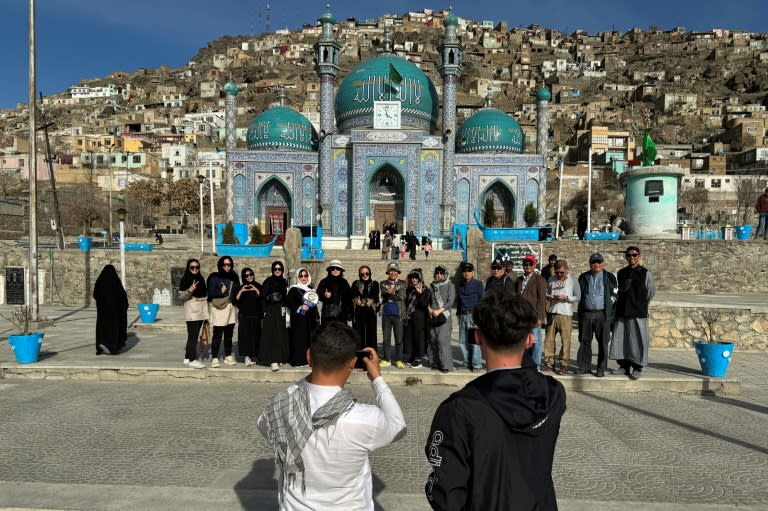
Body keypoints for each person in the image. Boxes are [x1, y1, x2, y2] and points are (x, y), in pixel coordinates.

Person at [424, 294, 566, 510]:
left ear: (479, 338)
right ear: (529, 340)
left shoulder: (460, 408)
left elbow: (447, 493)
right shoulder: (554, 393)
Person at [258, 322, 406, 510]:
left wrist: (300, 387)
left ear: (309, 356)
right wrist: (377, 379)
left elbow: (264, 425)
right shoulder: (364, 418)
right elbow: (398, 425)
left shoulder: (279, 407)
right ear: (353, 363)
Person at [610, 246, 656, 380]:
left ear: (639, 256)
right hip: (623, 311)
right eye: (629, 255)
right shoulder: (621, 273)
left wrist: (640, 304)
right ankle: (624, 366)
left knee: (637, 341)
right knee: (622, 340)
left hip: (638, 312)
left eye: (634, 255)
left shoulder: (646, 273)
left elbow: (650, 292)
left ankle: (637, 367)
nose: (632, 258)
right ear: (626, 257)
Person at [576, 252, 618, 377]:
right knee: (584, 341)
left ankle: (601, 368)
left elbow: (615, 294)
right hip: (587, 313)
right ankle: (584, 366)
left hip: (602, 314)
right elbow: (580, 294)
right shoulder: (584, 277)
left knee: (603, 342)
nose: (596, 264)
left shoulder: (609, 277)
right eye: (594, 262)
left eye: (599, 262)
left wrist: (610, 313)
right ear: (590, 264)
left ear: (602, 263)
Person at [543, 259, 580, 375]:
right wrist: (549, 297)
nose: (559, 275)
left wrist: (567, 298)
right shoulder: (551, 279)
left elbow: (578, 296)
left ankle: (564, 365)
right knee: (549, 339)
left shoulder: (573, 280)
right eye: (557, 272)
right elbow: (547, 294)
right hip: (553, 312)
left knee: (566, 341)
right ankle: (549, 363)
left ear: (567, 270)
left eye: (562, 273)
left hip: (566, 314)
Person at [206, 256, 239, 368]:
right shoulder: (214, 277)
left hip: (231, 307)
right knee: (218, 334)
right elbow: (210, 294)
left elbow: (237, 292)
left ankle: (228, 355)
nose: (226, 267)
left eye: (229, 264)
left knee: (229, 334)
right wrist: (221, 292)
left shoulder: (234, 277)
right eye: (224, 264)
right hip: (219, 307)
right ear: (220, 265)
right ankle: (215, 357)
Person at [517, 255, 547, 368]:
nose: (528, 266)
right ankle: (526, 364)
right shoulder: (519, 280)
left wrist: (540, 317)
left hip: (533, 315)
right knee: (524, 342)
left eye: (530, 264)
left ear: (534, 265)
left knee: (535, 342)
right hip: (521, 316)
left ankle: (536, 366)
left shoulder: (539, 279)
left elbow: (541, 299)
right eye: (526, 264)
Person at [285, 268, 319, 367]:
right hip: (299, 319)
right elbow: (289, 302)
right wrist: (300, 307)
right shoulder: (294, 289)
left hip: (310, 319)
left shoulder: (311, 289)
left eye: (305, 276)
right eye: (301, 276)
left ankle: (310, 360)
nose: (303, 278)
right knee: (300, 339)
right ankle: (300, 360)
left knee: (310, 338)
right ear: (297, 277)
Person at [178, 258, 207, 369]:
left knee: (193, 335)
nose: (195, 269)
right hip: (192, 310)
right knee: (193, 336)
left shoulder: (200, 278)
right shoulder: (185, 279)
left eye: (197, 267)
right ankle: (192, 359)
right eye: (192, 267)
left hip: (201, 310)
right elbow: (181, 297)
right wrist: (190, 290)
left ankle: (187, 357)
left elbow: (204, 294)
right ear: (188, 268)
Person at [260, 260, 289, 371]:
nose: (277, 271)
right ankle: (273, 360)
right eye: (275, 269)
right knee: (272, 334)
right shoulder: (268, 281)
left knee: (280, 334)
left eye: (279, 269)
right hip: (271, 310)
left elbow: (286, 296)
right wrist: (265, 310)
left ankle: (280, 357)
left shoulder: (284, 281)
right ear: (272, 270)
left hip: (281, 310)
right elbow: (263, 297)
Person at [93, 264, 128, 355]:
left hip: (102, 311)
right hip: (115, 312)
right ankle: (113, 347)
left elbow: (95, 294)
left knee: (102, 328)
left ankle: (102, 344)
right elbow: (122, 296)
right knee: (114, 328)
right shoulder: (115, 281)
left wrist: (101, 302)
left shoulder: (100, 281)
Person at [456, 261, 485, 371]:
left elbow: (482, 301)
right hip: (463, 316)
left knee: (474, 343)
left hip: (473, 317)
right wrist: (458, 314)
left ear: (472, 272)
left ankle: (476, 365)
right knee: (462, 342)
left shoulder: (478, 284)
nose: (466, 273)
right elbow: (459, 301)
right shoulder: (460, 284)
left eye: (469, 271)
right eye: (464, 271)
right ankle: (467, 363)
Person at [427, 265, 455, 373]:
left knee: (442, 340)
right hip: (433, 315)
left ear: (445, 274)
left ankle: (445, 365)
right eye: (437, 273)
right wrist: (429, 309)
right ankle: (435, 363)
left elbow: (451, 301)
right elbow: (428, 300)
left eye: (441, 273)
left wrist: (440, 310)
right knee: (433, 340)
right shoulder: (432, 286)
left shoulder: (450, 285)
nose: (439, 275)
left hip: (444, 316)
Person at [234, 267, 263, 368]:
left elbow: (262, 299)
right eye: (246, 275)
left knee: (255, 336)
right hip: (244, 316)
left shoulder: (258, 286)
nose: (249, 277)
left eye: (251, 274)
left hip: (256, 316)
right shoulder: (241, 287)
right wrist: (241, 291)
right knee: (245, 337)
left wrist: (256, 290)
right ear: (243, 277)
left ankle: (254, 356)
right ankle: (247, 358)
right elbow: (236, 301)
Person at [380, 262, 406, 368]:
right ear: (388, 272)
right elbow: (383, 294)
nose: (393, 272)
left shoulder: (403, 283)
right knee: (386, 338)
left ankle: (399, 359)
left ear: (398, 272)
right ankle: (386, 359)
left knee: (399, 338)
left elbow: (402, 296)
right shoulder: (382, 283)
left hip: (398, 314)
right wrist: (390, 293)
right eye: (391, 270)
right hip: (386, 314)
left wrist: (391, 293)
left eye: (395, 271)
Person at [403, 268, 430, 368]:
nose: (414, 279)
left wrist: (419, 294)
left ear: (420, 278)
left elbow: (424, 304)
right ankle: (412, 356)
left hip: (420, 318)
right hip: (410, 317)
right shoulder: (410, 289)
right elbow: (407, 303)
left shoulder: (424, 289)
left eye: (416, 278)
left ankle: (419, 359)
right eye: (412, 277)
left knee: (419, 338)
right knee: (410, 337)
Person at [351, 265, 379, 351]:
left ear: (370, 273)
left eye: (367, 273)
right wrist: (356, 300)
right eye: (362, 273)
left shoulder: (374, 284)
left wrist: (362, 301)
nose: (365, 275)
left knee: (371, 335)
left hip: (370, 313)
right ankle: (359, 355)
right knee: (358, 334)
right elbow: (353, 295)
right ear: (359, 275)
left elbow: (373, 297)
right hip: (358, 313)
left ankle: (371, 354)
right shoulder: (355, 283)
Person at [317, 260, 352, 324]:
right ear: (329, 270)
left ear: (341, 270)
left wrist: (350, 312)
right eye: (333, 268)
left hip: (342, 314)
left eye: (338, 269)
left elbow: (349, 298)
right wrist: (324, 295)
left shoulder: (344, 282)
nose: (335, 270)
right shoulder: (324, 281)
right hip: (328, 314)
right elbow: (318, 295)